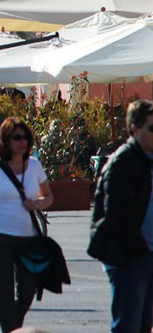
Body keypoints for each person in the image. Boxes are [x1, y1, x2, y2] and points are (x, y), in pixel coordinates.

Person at [0, 118, 53, 333]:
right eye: (17, 137)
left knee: (28, 289)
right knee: (4, 293)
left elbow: (49, 197)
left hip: (28, 238)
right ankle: (12, 330)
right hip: (0, 237)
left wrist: (38, 203)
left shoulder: (34, 166)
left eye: (25, 137)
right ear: (5, 140)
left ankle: (13, 329)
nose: (22, 141)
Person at [89, 99, 153, 333]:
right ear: (134, 130)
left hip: (146, 254)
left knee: (143, 326)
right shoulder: (124, 161)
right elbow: (117, 212)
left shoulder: (147, 160)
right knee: (128, 325)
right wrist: (139, 250)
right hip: (129, 256)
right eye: (152, 128)